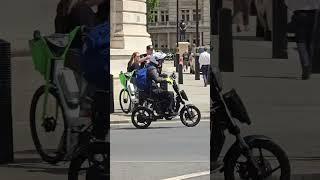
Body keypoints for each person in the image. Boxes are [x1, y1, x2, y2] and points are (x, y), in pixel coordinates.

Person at [285, 0, 320, 80]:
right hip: (313, 12)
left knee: (301, 41)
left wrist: (291, 8)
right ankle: (308, 66)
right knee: (310, 41)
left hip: (299, 12)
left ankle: (306, 66)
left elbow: (287, 2)